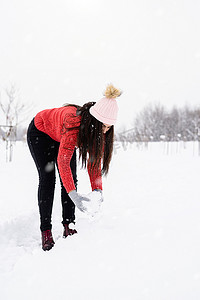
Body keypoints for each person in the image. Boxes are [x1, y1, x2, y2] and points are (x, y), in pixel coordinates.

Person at [27, 84, 121, 251]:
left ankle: (68, 224)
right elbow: (63, 163)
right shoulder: (74, 124)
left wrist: (97, 190)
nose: (106, 131)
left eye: (109, 127)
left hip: (60, 136)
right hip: (41, 133)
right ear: (95, 121)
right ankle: (46, 231)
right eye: (104, 126)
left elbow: (94, 163)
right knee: (48, 179)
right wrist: (74, 195)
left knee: (71, 179)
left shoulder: (96, 132)